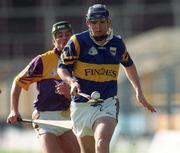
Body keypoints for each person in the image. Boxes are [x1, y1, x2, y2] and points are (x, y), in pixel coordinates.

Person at [57, 4, 157, 153]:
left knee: (102, 141)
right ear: (87, 23)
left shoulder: (117, 44)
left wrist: (138, 92)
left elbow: (129, 65)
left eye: (102, 22)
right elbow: (62, 67)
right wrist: (71, 82)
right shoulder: (77, 42)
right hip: (81, 106)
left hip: (107, 104)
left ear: (108, 22)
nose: (98, 27)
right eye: (94, 23)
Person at [6, 21, 80, 153]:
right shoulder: (42, 61)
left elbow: (82, 94)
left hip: (68, 118)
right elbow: (18, 82)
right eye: (59, 35)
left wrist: (69, 93)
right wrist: (14, 110)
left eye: (68, 35)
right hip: (45, 119)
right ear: (53, 40)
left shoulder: (80, 61)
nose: (64, 38)